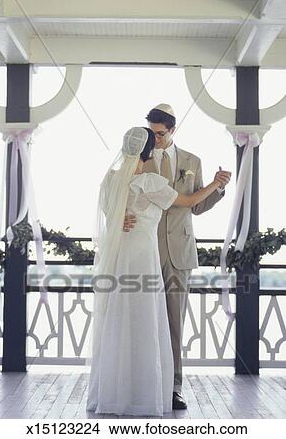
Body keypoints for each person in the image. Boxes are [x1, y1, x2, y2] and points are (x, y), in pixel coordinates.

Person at [86, 126, 225, 417]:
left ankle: (114, 393)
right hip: (143, 258)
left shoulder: (109, 180)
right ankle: (143, 393)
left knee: (118, 319)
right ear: (148, 151)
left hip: (119, 259)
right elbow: (187, 203)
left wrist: (118, 221)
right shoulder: (150, 181)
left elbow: (109, 216)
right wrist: (215, 183)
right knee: (144, 321)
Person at [123, 105, 231, 410]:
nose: (155, 139)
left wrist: (217, 188)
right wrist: (121, 219)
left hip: (179, 254)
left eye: (160, 134)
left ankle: (173, 387)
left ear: (172, 130)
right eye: (151, 133)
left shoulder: (192, 161)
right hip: (144, 250)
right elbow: (119, 198)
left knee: (174, 323)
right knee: (140, 319)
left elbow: (196, 206)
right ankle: (141, 382)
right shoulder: (138, 161)